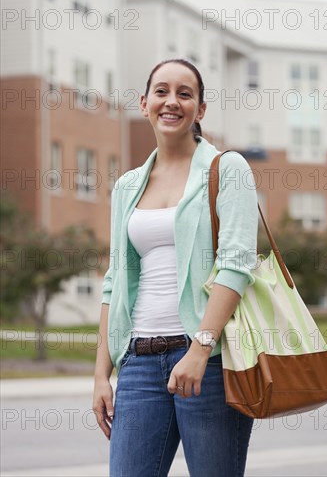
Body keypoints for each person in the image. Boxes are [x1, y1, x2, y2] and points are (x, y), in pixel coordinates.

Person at [93, 58, 259, 477]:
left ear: (200, 109)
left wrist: (201, 349)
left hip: (209, 362)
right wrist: (101, 375)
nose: (172, 102)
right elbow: (115, 281)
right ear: (145, 102)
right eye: (162, 92)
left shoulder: (228, 169)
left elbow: (235, 266)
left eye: (185, 94)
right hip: (139, 364)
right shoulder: (128, 185)